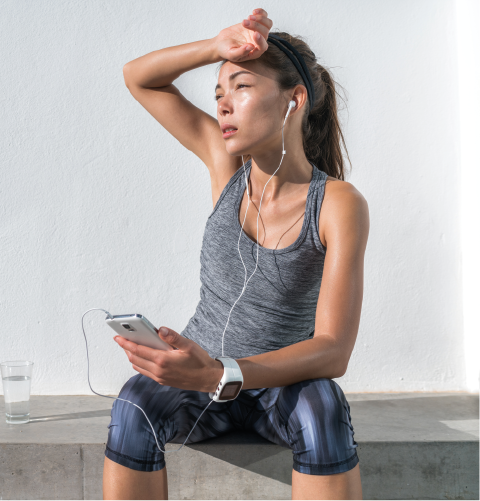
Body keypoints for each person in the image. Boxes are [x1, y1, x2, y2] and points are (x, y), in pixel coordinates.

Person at [103, 8, 369, 501]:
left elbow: (334, 349)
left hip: (282, 385)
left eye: (241, 87)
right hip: (197, 372)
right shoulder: (226, 167)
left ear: (295, 100)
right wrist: (216, 47)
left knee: (322, 408)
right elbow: (138, 78)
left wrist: (222, 374)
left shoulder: (336, 203)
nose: (224, 106)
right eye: (218, 94)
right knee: (133, 404)